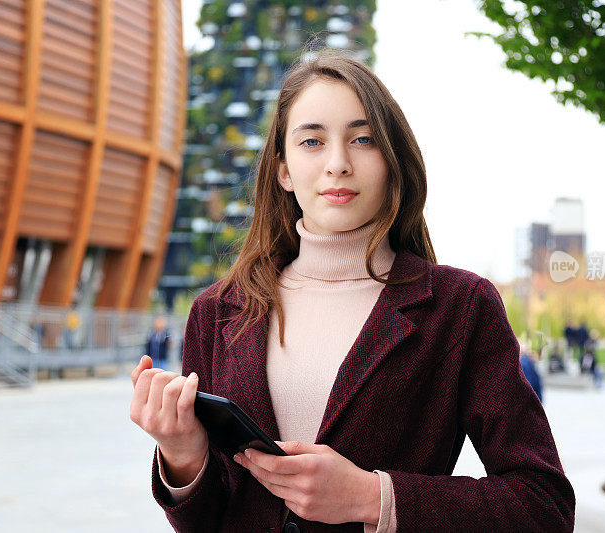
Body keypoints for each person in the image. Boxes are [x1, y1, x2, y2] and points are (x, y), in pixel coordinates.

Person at [129, 51, 575, 532]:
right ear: (283, 169)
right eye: (312, 141)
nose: (337, 163)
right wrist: (181, 456)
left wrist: (374, 497)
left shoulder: (460, 307)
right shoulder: (218, 311)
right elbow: (209, 521)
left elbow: (543, 505)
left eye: (362, 139)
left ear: (391, 160)